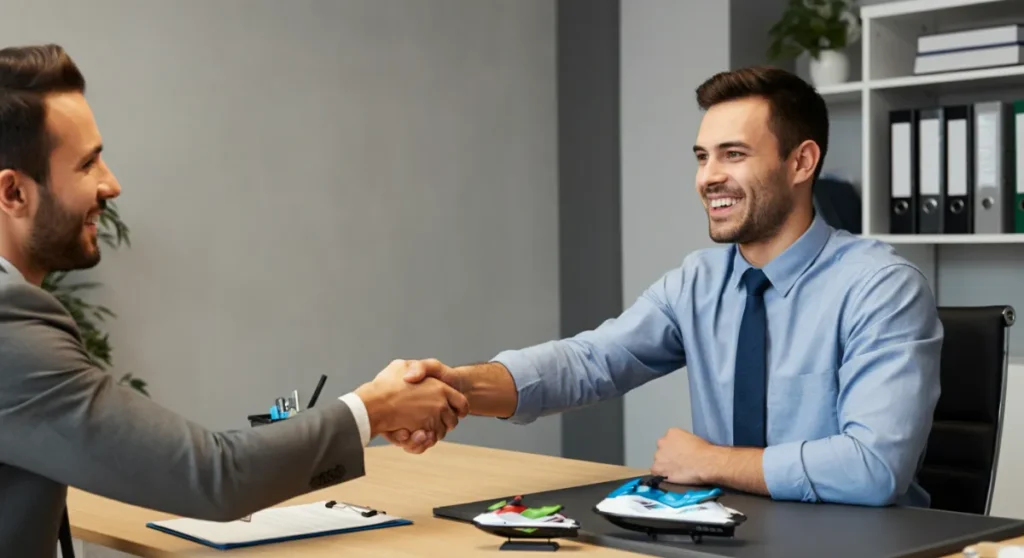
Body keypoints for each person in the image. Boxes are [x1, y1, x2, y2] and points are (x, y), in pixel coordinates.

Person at [389, 66, 944, 508]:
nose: (708, 178)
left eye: (734, 154)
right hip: (730, 532)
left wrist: (709, 462)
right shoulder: (698, 282)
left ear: (801, 162)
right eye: (703, 157)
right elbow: (589, 362)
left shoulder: (882, 288)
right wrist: (454, 386)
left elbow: (874, 469)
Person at [0, 44, 468, 558]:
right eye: (88, 164)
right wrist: (375, 409)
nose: (112, 183)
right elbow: (213, 476)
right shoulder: (11, 322)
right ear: (13, 193)